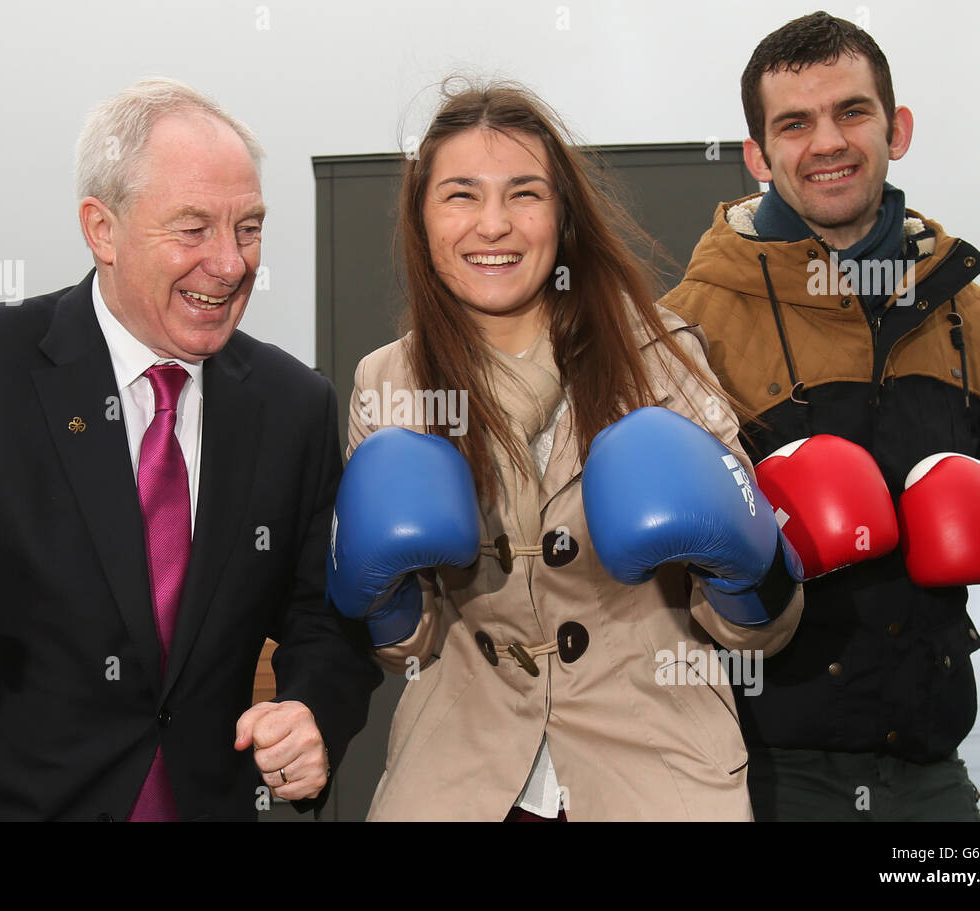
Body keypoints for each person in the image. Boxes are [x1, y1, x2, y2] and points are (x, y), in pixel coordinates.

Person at [0, 77, 380, 820]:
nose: (230, 263)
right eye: (193, 230)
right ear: (102, 229)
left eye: (248, 228)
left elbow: (325, 617)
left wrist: (311, 708)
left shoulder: (295, 405)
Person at [327, 81, 807, 821]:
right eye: (460, 195)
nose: (494, 224)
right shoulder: (388, 380)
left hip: (655, 770)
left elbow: (761, 630)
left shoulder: (659, 354)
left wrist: (745, 562)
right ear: (423, 219)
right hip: (463, 778)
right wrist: (387, 606)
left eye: (524, 193)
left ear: (562, 216)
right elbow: (410, 649)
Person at [661, 12, 980, 820]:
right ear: (758, 155)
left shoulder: (972, 314)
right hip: (757, 769)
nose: (827, 142)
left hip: (932, 764)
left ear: (896, 128)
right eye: (794, 124)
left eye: (852, 112)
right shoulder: (683, 325)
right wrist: (768, 541)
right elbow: (645, 559)